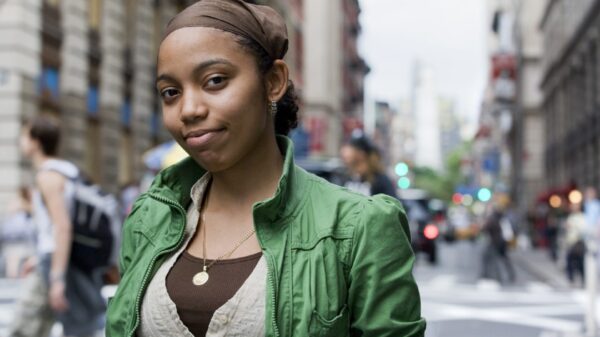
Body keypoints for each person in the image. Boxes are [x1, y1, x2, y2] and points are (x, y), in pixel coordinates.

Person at [105, 1, 426, 336]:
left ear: (273, 81)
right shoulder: (149, 218)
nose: (188, 110)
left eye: (215, 81)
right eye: (170, 92)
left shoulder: (359, 227)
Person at [8, 115, 105, 337]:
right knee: (73, 328)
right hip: (59, 260)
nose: (21, 141)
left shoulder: (48, 176)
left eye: (24, 136)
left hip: (56, 263)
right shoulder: (66, 171)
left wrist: (57, 279)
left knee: (23, 329)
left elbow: (62, 226)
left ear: (36, 141)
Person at [340, 132, 398, 198]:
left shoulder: (380, 180)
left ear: (361, 153)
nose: (343, 152)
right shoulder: (346, 176)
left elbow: (392, 204)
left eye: (349, 148)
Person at [0, 186, 36, 278]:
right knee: (13, 263)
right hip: (15, 239)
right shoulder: (19, 203)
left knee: (19, 263)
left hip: (23, 238)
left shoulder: (25, 203)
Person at [564, 201, 586, 286]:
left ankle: (583, 280)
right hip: (570, 241)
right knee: (569, 261)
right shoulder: (570, 216)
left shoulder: (582, 217)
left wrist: (573, 226)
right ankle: (571, 279)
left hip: (578, 242)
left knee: (580, 262)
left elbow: (583, 229)